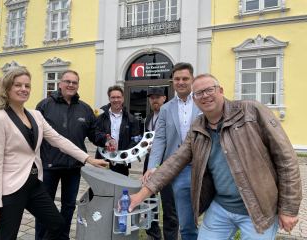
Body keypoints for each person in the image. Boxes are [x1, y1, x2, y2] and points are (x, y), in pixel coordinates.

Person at [126, 73, 302, 240]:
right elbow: (174, 162)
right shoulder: (197, 128)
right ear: (194, 100)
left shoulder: (252, 111)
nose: (205, 96)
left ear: (221, 91)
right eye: (199, 93)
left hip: (259, 209)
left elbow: (286, 159)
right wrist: (141, 195)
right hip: (221, 208)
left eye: (210, 89)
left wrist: (289, 208)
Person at [0, 68, 109, 240]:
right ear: (7, 89)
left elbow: (59, 140)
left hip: (34, 184)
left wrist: (89, 159)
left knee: (57, 224)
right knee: (7, 237)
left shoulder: (35, 116)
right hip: (11, 188)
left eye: (27, 85)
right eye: (18, 85)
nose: (24, 89)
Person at [34, 70, 116, 240]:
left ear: (78, 85)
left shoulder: (85, 109)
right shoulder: (44, 105)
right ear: (60, 84)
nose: (71, 85)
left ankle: (63, 237)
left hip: (74, 166)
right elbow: (34, 134)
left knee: (69, 206)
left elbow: (93, 133)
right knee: (43, 206)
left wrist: (105, 141)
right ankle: (41, 237)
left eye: (74, 82)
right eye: (67, 81)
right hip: (49, 165)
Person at [142, 63, 202, 240]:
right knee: (174, 212)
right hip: (174, 167)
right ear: (173, 82)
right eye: (177, 79)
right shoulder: (166, 108)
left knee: (202, 212)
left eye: (185, 78)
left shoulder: (203, 102)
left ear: (192, 80)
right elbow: (160, 139)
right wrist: (153, 166)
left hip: (200, 165)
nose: (181, 82)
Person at [142, 87, 179, 240]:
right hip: (150, 162)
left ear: (164, 98)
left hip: (167, 162)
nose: (154, 100)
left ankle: (170, 236)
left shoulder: (172, 115)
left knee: (169, 202)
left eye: (157, 97)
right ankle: (153, 233)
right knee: (150, 198)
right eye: (152, 98)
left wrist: (162, 146)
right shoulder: (148, 117)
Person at [95, 85, 140, 176]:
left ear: (122, 98)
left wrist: (125, 154)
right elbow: (95, 135)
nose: (116, 100)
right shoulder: (100, 119)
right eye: (113, 97)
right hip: (103, 159)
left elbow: (135, 139)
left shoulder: (131, 119)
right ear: (109, 99)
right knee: (103, 188)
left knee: (121, 188)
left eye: (118, 97)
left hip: (122, 162)